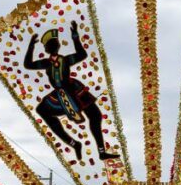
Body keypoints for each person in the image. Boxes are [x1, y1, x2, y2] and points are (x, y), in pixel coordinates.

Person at [24, 21, 120, 163]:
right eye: (50, 44)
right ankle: (74, 143)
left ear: (57, 45)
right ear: (46, 48)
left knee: (95, 116)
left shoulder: (66, 60)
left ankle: (101, 151)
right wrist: (31, 46)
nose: (54, 45)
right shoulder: (46, 63)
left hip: (74, 90)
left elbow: (82, 54)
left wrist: (75, 36)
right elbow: (28, 64)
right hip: (60, 95)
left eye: (54, 43)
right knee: (41, 110)